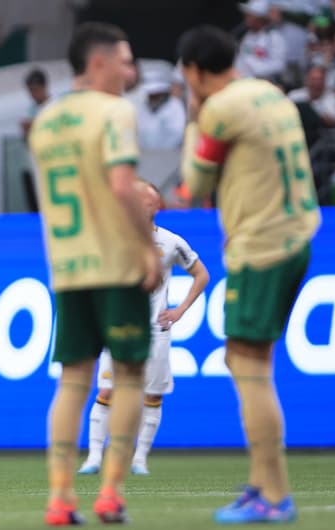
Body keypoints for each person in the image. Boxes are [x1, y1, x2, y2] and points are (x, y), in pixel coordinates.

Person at [178, 25, 321, 523]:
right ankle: (262, 482)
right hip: (297, 236)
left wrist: (194, 118)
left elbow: (192, 185)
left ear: (194, 71)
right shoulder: (270, 93)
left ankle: (275, 496)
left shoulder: (220, 109)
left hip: (260, 248)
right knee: (246, 362)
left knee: (247, 365)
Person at [28, 21, 161, 525]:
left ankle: (60, 498)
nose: (132, 71)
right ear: (99, 63)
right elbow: (124, 185)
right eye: (126, 61)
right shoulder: (115, 111)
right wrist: (148, 249)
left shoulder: (46, 119)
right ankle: (110, 493)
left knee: (72, 383)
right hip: (116, 263)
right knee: (128, 377)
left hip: (67, 267)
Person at [77, 182, 209, 477]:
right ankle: (95, 457)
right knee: (107, 390)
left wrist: (179, 310)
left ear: (156, 205)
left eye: (146, 198)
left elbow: (201, 274)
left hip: (155, 331)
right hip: (119, 327)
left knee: (152, 395)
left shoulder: (171, 242)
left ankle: (140, 459)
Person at [235, 0, 288, 83]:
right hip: (240, 80)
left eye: (250, 16)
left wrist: (256, 69)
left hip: (261, 83)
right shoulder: (246, 35)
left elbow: (279, 65)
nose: (246, 19)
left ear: (260, 18)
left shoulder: (274, 37)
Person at [21, 67, 51, 138]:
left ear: (44, 86)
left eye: (35, 90)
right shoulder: (30, 110)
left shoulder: (56, 105)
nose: (33, 94)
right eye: (30, 91)